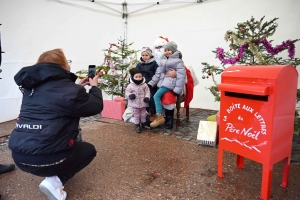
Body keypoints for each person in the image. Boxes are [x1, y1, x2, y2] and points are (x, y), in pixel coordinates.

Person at [8, 48, 103, 200]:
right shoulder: (70, 91)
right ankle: (55, 180)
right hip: (46, 160)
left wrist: (77, 87)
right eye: (67, 61)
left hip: (19, 157)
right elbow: (95, 106)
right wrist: (95, 87)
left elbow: (54, 100)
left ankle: (53, 169)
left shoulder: (30, 88)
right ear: (62, 66)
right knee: (88, 150)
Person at [148, 41, 186, 128]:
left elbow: (181, 76)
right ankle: (158, 116)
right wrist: (151, 83)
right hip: (162, 83)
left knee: (156, 96)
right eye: (166, 50)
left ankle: (160, 116)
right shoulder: (163, 60)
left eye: (169, 50)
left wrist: (177, 90)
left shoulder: (178, 61)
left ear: (173, 50)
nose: (167, 52)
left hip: (169, 83)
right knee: (154, 95)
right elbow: (158, 73)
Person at [135, 47, 159, 122]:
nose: (144, 57)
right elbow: (135, 74)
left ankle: (152, 113)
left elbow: (157, 74)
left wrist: (151, 83)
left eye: (146, 55)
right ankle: (138, 111)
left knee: (151, 97)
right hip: (142, 84)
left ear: (150, 55)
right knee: (138, 96)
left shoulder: (154, 63)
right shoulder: (139, 64)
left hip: (151, 84)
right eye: (143, 55)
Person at [125, 68, 151, 133]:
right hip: (135, 103)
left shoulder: (144, 85)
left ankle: (144, 124)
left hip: (143, 103)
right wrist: (130, 95)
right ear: (133, 77)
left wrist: (147, 97)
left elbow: (147, 91)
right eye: (136, 77)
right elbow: (127, 92)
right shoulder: (130, 85)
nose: (138, 78)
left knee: (143, 114)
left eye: (140, 76)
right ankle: (137, 125)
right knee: (136, 115)